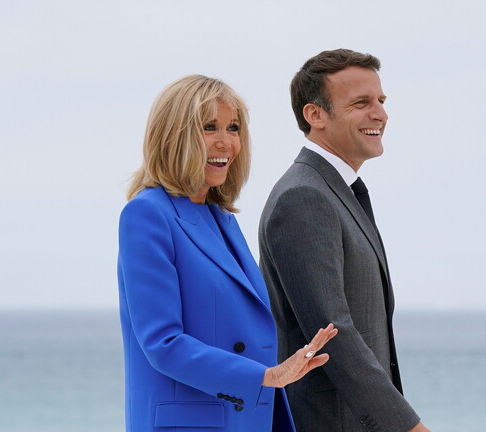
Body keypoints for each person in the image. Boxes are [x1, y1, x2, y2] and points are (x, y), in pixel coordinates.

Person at [117, 74, 337, 432]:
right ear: (173, 135)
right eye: (209, 127)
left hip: (246, 418)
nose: (226, 142)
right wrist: (267, 376)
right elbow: (163, 343)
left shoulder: (222, 218)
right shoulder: (147, 214)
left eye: (233, 128)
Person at [259, 49, 431, 432]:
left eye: (381, 101)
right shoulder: (303, 197)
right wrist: (406, 427)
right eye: (361, 103)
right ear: (315, 115)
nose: (381, 114)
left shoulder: (336, 189)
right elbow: (333, 333)